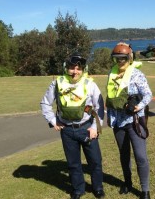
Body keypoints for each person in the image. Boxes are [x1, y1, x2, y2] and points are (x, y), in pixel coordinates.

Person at [40, 52, 105, 199]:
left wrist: (95, 127)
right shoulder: (57, 83)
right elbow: (45, 103)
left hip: (87, 128)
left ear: (83, 70)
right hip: (67, 130)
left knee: (95, 161)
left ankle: (98, 188)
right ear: (66, 68)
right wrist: (53, 120)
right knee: (73, 163)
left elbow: (100, 107)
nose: (75, 71)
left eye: (78, 68)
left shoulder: (90, 84)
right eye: (72, 68)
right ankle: (78, 189)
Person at [105, 42, 152, 199]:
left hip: (134, 122)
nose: (120, 62)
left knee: (140, 156)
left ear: (129, 58)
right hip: (117, 122)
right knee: (124, 154)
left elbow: (148, 95)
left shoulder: (137, 74)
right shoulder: (111, 74)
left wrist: (138, 106)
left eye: (123, 58)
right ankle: (127, 182)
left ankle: (145, 190)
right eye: (116, 59)